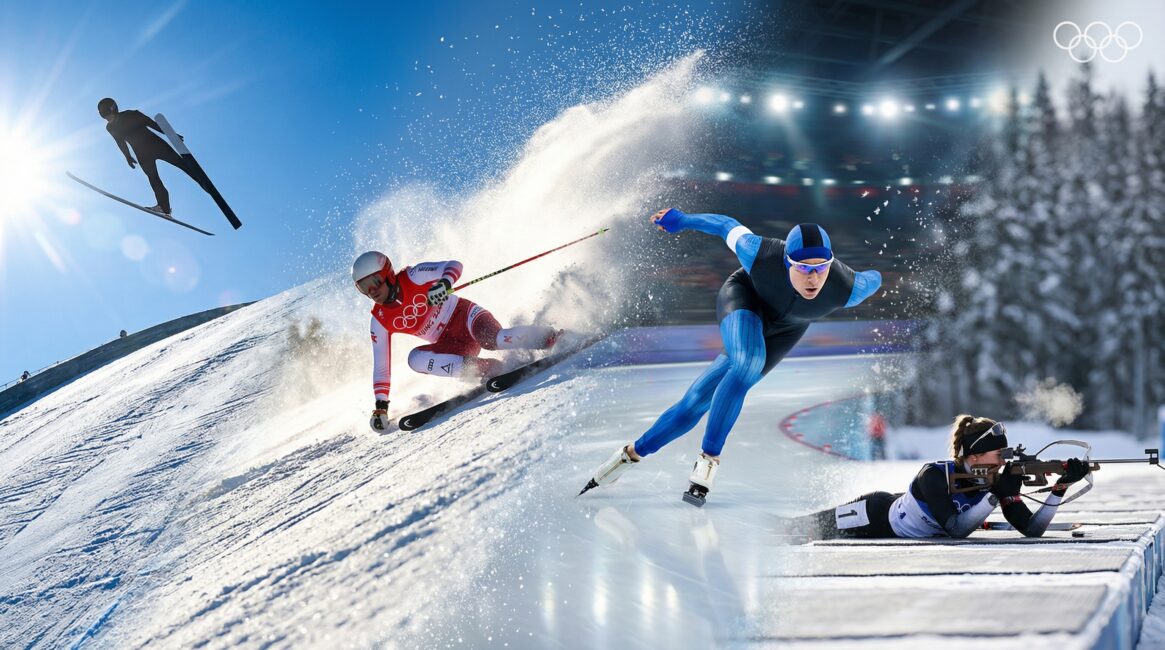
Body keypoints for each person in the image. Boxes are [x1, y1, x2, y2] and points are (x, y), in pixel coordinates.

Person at [579, 208, 882, 505]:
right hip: (744, 300)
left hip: (786, 331)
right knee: (748, 361)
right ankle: (708, 460)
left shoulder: (849, 286)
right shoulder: (758, 252)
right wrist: (681, 220)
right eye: (802, 267)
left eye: (821, 267)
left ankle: (628, 455)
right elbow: (725, 225)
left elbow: (875, 278)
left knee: (696, 403)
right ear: (786, 261)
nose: (813, 277)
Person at [788, 415, 1091, 540]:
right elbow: (957, 530)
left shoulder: (992, 482)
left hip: (898, 531)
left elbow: (1033, 529)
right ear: (973, 457)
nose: (1004, 459)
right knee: (799, 530)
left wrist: (1060, 488)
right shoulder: (933, 474)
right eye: (998, 454)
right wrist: (994, 495)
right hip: (875, 515)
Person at [352, 251, 560, 432]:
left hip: (467, 316)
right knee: (415, 359)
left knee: (493, 339)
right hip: (451, 343)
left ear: (388, 274)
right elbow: (382, 366)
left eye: (375, 282)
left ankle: (550, 336)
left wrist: (443, 284)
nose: (373, 291)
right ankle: (489, 368)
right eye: (364, 288)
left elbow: (453, 266)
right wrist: (381, 407)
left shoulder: (412, 276)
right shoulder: (379, 320)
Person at [97, 97, 214, 216]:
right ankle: (164, 207)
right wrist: (127, 156)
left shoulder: (132, 114)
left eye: (107, 114)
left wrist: (172, 135)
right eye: (103, 116)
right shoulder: (110, 127)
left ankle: (206, 186)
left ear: (113, 109)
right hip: (142, 154)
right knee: (154, 179)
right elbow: (120, 142)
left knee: (182, 164)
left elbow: (153, 124)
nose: (107, 118)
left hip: (157, 146)